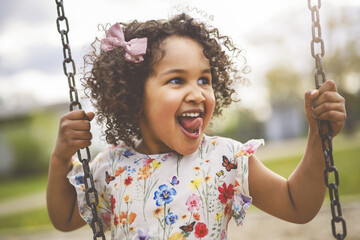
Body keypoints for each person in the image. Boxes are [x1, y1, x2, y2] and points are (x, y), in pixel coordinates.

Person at [46, 13, 346, 240]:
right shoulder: (111, 166)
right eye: (177, 80)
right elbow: (65, 217)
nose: (197, 92)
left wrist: (318, 138)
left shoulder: (224, 158)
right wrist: (61, 160)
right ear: (136, 95)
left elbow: (297, 205)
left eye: (204, 79)